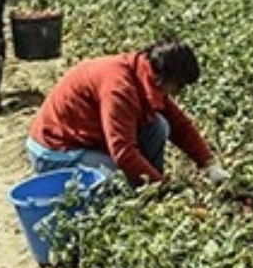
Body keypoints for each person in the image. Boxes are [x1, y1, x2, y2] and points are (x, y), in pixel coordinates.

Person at [26, 39, 224, 188]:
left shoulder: (144, 73)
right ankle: (144, 193)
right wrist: (161, 187)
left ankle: (145, 188)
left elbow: (180, 125)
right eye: (178, 86)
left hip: (86, 139)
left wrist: (208, 164)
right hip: (56, 151)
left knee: (158, 126)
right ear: (164, 79)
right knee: (116, 181)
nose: (176, 93)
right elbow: (123, 152)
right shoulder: (119, 88)